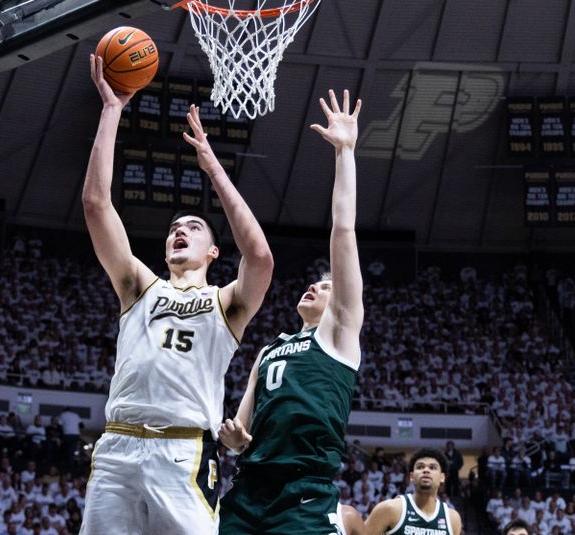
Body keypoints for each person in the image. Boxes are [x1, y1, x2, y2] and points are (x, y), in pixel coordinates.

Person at [79, 54, 273, 534]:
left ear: (212, 252)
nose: (179, 231)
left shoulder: (226, 303)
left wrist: (214, 171)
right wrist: (112, 110)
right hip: (118, 447)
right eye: (173, 228)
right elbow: (95, 204)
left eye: (192, 227)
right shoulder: (138, 287)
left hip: (183, 451)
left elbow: (261, 258)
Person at [218, 89, 363, 534]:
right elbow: (242, 431)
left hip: (303, 493)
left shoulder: (339, 334)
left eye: (326, 285)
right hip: (247, 490)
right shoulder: (269, 351)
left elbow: (343, 228)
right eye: (313, 282)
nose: (315, 286)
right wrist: (236, 441)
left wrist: (345, 153)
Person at [365, 449, 463, 535]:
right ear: (411, 477)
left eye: (432, 467)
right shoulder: (389, 509)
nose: (426, 470)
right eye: (420, 467)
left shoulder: (452, 519)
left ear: (442, 477)